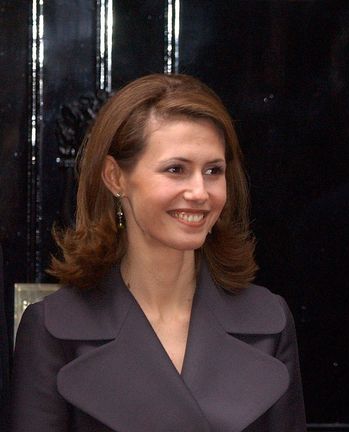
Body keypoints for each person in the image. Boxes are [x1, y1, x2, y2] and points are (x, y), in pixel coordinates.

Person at [11, 74, 306, 431]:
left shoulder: (268, 321)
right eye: (176, 170)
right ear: (115, 178)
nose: (200, 191)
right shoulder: (54, 329)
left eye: (213, 171)